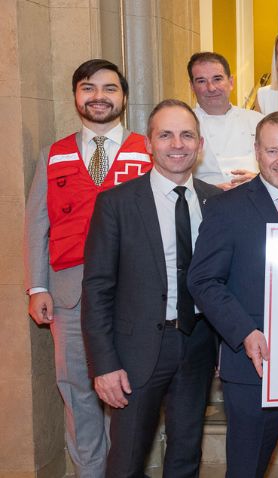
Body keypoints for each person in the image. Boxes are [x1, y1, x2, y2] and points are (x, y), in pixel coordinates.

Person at [188, 111, 278, 478]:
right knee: (247, 466)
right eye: (273, 151)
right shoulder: (226, 208)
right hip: (255, 362)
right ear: (257, 151)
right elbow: (203, 280)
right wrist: (243, 332)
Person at [23, 59, 152, 478]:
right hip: (68, 294)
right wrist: (36, 287)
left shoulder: (147, 150)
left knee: (128, 391)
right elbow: (36, 223)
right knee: (78, 391)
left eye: (109, 88)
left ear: (124, 97)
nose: (99, 96)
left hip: (132, 293)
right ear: (76, 96)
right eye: (88, 88)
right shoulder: (54, 154)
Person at [81, 99, 220, 477]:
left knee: (186, 455)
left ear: (200, 143)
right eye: (166, 135)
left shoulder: (218, 202)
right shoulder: (117, 204)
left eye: (187, 134)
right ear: (148, 143)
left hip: (197, 346)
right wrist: (104, 365)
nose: (178, 143)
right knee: (126, 460)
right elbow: (97, 290)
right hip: (135, 352)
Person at [188, 51, 264, 190]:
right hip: (205, 205)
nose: (211, 88)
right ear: (192, 87)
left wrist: (261, 181)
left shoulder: (258, 121)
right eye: (201, 81)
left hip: (256, 199)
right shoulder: (184, 124)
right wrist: (209, 191)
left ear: (231, 82)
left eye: (217, 79)